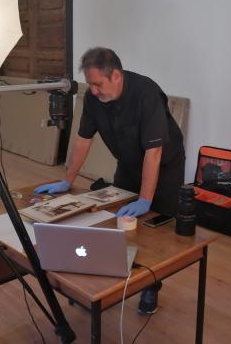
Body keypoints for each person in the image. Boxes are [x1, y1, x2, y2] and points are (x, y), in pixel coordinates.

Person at [35, 46, 186, 314]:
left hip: (163, 167)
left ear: (116, 75)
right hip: (128, 163)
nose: (93, 90)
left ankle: (150, 285)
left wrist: (145, 198)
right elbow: (83, 139)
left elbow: (154, 151)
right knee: (118, 220)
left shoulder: (145, 93)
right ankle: (113, 274)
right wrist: (67, 181)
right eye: (90, 84)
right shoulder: (94, 99)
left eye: (97, 84)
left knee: (154, 231)